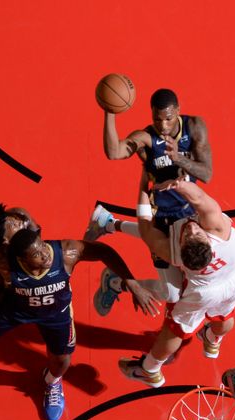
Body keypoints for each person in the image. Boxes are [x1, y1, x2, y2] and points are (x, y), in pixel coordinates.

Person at [0, 228, 161, 420]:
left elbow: (103, 251)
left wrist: (133, 284)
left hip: (56, 314)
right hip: (14, 310)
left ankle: (52, 383)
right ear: (22, 259)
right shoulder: (7, 263)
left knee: (63, 361)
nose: (45, 255)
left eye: (43, 247)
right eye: (37, 254)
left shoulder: (65, 253)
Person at [84, 88, 213, 312]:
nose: (163, 125)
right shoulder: (146, 138)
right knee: (171, 293)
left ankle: (107, 223)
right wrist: (110, 112)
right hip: (162, 216)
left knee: (201, 263)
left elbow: (207, 174)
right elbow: (114, 152)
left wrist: (178, 159)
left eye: (169, 119)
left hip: (191, 210)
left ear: (178, 112)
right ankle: (116, 282)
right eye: (157, 119)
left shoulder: (194, 127)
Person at [112, 178, 235, 388]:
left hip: (205, 292)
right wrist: (180, 184)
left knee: (176, 330)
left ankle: (150, 369)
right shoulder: (219, 229)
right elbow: (200, 197)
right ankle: (211, 339)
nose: (192, 228)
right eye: (194, 233)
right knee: (225, 317)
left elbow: (147, 230)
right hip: (234, 279)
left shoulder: (174, 253)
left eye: (192, 233)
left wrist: (143, 188)